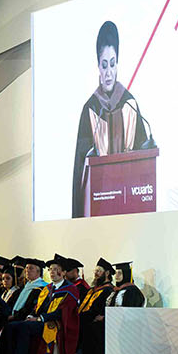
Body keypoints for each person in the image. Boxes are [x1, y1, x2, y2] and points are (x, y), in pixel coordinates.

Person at [70, 21, 155, 218]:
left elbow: (145, 170)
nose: (108, 72)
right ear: (98, 66)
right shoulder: (90, 111)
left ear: (118, 63)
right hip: (98, 215)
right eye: (104, 64)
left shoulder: (130, 106)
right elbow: (79, 176)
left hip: (130, 213)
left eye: (113, 63)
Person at [76, 258, 112, 354]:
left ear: (107, 273)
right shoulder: (92, 290)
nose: (95, 274)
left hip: (97, 319)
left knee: (88, 326)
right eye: (95, 271)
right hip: (87, 317)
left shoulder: (108, 290)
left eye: (99, 271)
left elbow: (100, 309)